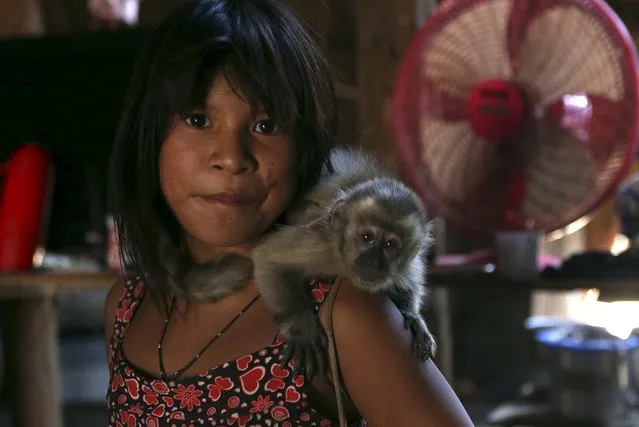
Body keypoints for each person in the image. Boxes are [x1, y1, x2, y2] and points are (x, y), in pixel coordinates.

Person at [104, 0, 473, 425]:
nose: (231, 157)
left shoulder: (343, 316)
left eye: (266, 127)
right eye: (198, 119)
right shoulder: (126, 308)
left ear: (304, 149)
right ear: (150, 133)